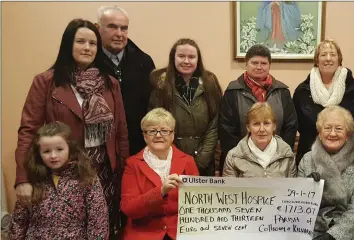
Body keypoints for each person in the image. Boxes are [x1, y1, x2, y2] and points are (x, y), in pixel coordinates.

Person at [14, 19, 129, 237]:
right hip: (65, 172)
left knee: (101, 230)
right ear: (68, 44)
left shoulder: (110, 83)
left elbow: (120, 131)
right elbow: (28, 131)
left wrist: (123, 173)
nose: (87, 48)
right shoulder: (46, 82)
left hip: (104, 171)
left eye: (92, 43)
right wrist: (23, 178)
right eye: (80, 41)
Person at [10, 122, 109, 239]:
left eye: (59, 149)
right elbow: (19, 221)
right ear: (39, 153)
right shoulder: (32, 179)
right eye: (46, 151)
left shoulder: (86, 178)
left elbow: (98, 220)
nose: (53, 155)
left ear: (70, 148)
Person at [121, 108, 199, 240]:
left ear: (172, 135)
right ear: (145, 136)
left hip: (180, 232)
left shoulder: (188, 161)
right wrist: (160, 192)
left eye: (164, 131)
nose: (158, 135)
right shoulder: (132, 164)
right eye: (152, 131)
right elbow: (128, 208)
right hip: (144, 233)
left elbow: (197, 203)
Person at [149, 38, 222, 176]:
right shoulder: (161, 85)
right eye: (181, 56)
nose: (186, 61)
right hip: (168, 159)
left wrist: (203, 158)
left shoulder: (210, 83)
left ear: (198, 60)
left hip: (205, 163)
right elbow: (155, 122)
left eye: (191, 57)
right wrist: (176, 157)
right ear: (173, 58)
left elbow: (215, 124)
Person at [219, 44, 297, 173]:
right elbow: (226, 130)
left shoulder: (282, 92)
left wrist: (281, 156)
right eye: (254, 63)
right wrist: (241, 159)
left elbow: (291, 126)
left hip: (277, 164)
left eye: (263, 63)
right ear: (246, 64)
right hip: (241, 163)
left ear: (269, 65)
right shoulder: (232, 92)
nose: (259, 67)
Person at [298, 106, 354, 240]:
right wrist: (306, 188)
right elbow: (300, 207)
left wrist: (333, 236)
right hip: (315, 230)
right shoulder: (307, 160)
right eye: (327, 128)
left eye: (339, 128)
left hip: (353, 231)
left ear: (347, 134)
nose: (332, 133)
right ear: (320, 133)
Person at [97, 5, 156, 155]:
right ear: (98, 28)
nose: (119, 34)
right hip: (100, 148)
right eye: (112, 27)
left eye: (124, 28)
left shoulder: (144, 62)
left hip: (138, 147)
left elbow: (153, 107)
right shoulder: (88, 62)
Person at [293, 39, 354, 164]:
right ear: (317, 60)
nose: (328, 58)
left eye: (333, 54)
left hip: (346, 157)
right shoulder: (302, 91)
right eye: (323, 54)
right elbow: (297, 125)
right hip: (311, 157)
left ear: (339, 59)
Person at [223, 102, 296, 177]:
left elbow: (292, 187)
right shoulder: (233, 157)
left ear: (274, 126)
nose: (261, 129)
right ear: (248, 127)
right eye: (256, 124)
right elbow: (229, 188)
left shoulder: (287, 154)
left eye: (266, 123)